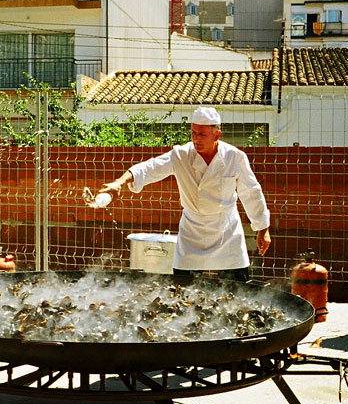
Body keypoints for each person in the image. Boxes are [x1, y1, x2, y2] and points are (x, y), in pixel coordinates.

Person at [99, 107, 271, 282]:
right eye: (193, 133)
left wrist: (262, 229)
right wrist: (118, 182)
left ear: (217, 135)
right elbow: (149, 167)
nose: (196, 138)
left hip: (226, 232)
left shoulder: (234, 157)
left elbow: (251, 192)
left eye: (202, 134)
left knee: (237, 289)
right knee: (184, 290)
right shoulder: (180, 155)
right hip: (192, 231)